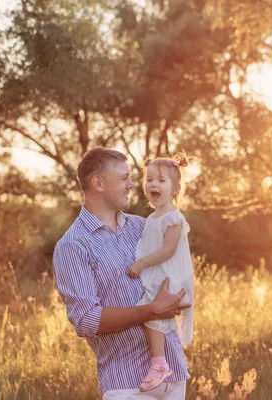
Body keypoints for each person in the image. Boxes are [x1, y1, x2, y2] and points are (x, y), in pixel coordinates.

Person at [52, 148, 191, 399]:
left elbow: (174, 267)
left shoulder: (143, 226)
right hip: (128, 384)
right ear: (98, 183)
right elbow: (86, 320)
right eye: (124, 178)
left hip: (173, 374)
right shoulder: (73, 245)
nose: (131, 185)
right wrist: (152, 310)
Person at [126, 153, 194, 392]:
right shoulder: (151, 218)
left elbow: (167, 250)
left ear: (175, 189)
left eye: (162, 181)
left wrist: (140, 264)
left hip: (167, 275)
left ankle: (160, 364)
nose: (154, 184)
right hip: (156, 274)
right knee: (149, 314)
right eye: (150, 179)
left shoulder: (173, 218)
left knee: (151, 314)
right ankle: (159, 362)